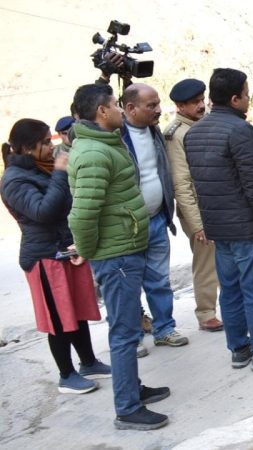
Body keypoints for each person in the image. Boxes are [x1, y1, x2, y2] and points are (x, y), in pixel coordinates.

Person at [68, 83, 170, 430]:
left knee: (125, 328)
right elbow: (82, 216)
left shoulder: (105, 144)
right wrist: (91, 251)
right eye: (115, 105)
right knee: (125, 333)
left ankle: (132, 389)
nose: (119, 110)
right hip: (117, 256)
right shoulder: (95, 154)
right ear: (102, 111)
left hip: (124, 250)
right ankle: (127, 409)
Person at [184, 68, 253, 372]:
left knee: (231, 291)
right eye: (247, 94)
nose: (250, 99)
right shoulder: (241, 132)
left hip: (219, 231)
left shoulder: (194, 133)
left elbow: (201, 185)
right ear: (235, 99)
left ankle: (239, 349)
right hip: (248, 229)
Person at [1, 118, 110, 396]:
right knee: (58, 319)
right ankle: (66, 375)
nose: (52, 147)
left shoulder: (41, 169)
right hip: (43, 257)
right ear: (27, 148)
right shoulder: (14, 180)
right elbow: (43, 212)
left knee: (78, 312)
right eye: (46, 143)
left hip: (64, 250)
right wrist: (61, 174)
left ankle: (88, 362)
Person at [120, 83, 188, 356]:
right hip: (128, 227)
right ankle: (133, 337)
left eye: (158, 104)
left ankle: (164, 329)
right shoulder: (115, 136)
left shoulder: (154, 131)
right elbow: (79, 126)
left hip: (157, 220)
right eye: (151, 106)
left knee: (159, 280)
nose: (159, 110)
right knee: (128, 285)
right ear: (129, 108)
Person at [163, 79, 223, 332]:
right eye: (195, 103)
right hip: (198, 209)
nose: (201, 105)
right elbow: (181, 183)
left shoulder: (207, 121)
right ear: (180, 106)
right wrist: (197, 224)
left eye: (202, 100)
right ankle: (206, 312)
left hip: (220, 202)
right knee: (206, 262)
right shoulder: (176, 134)